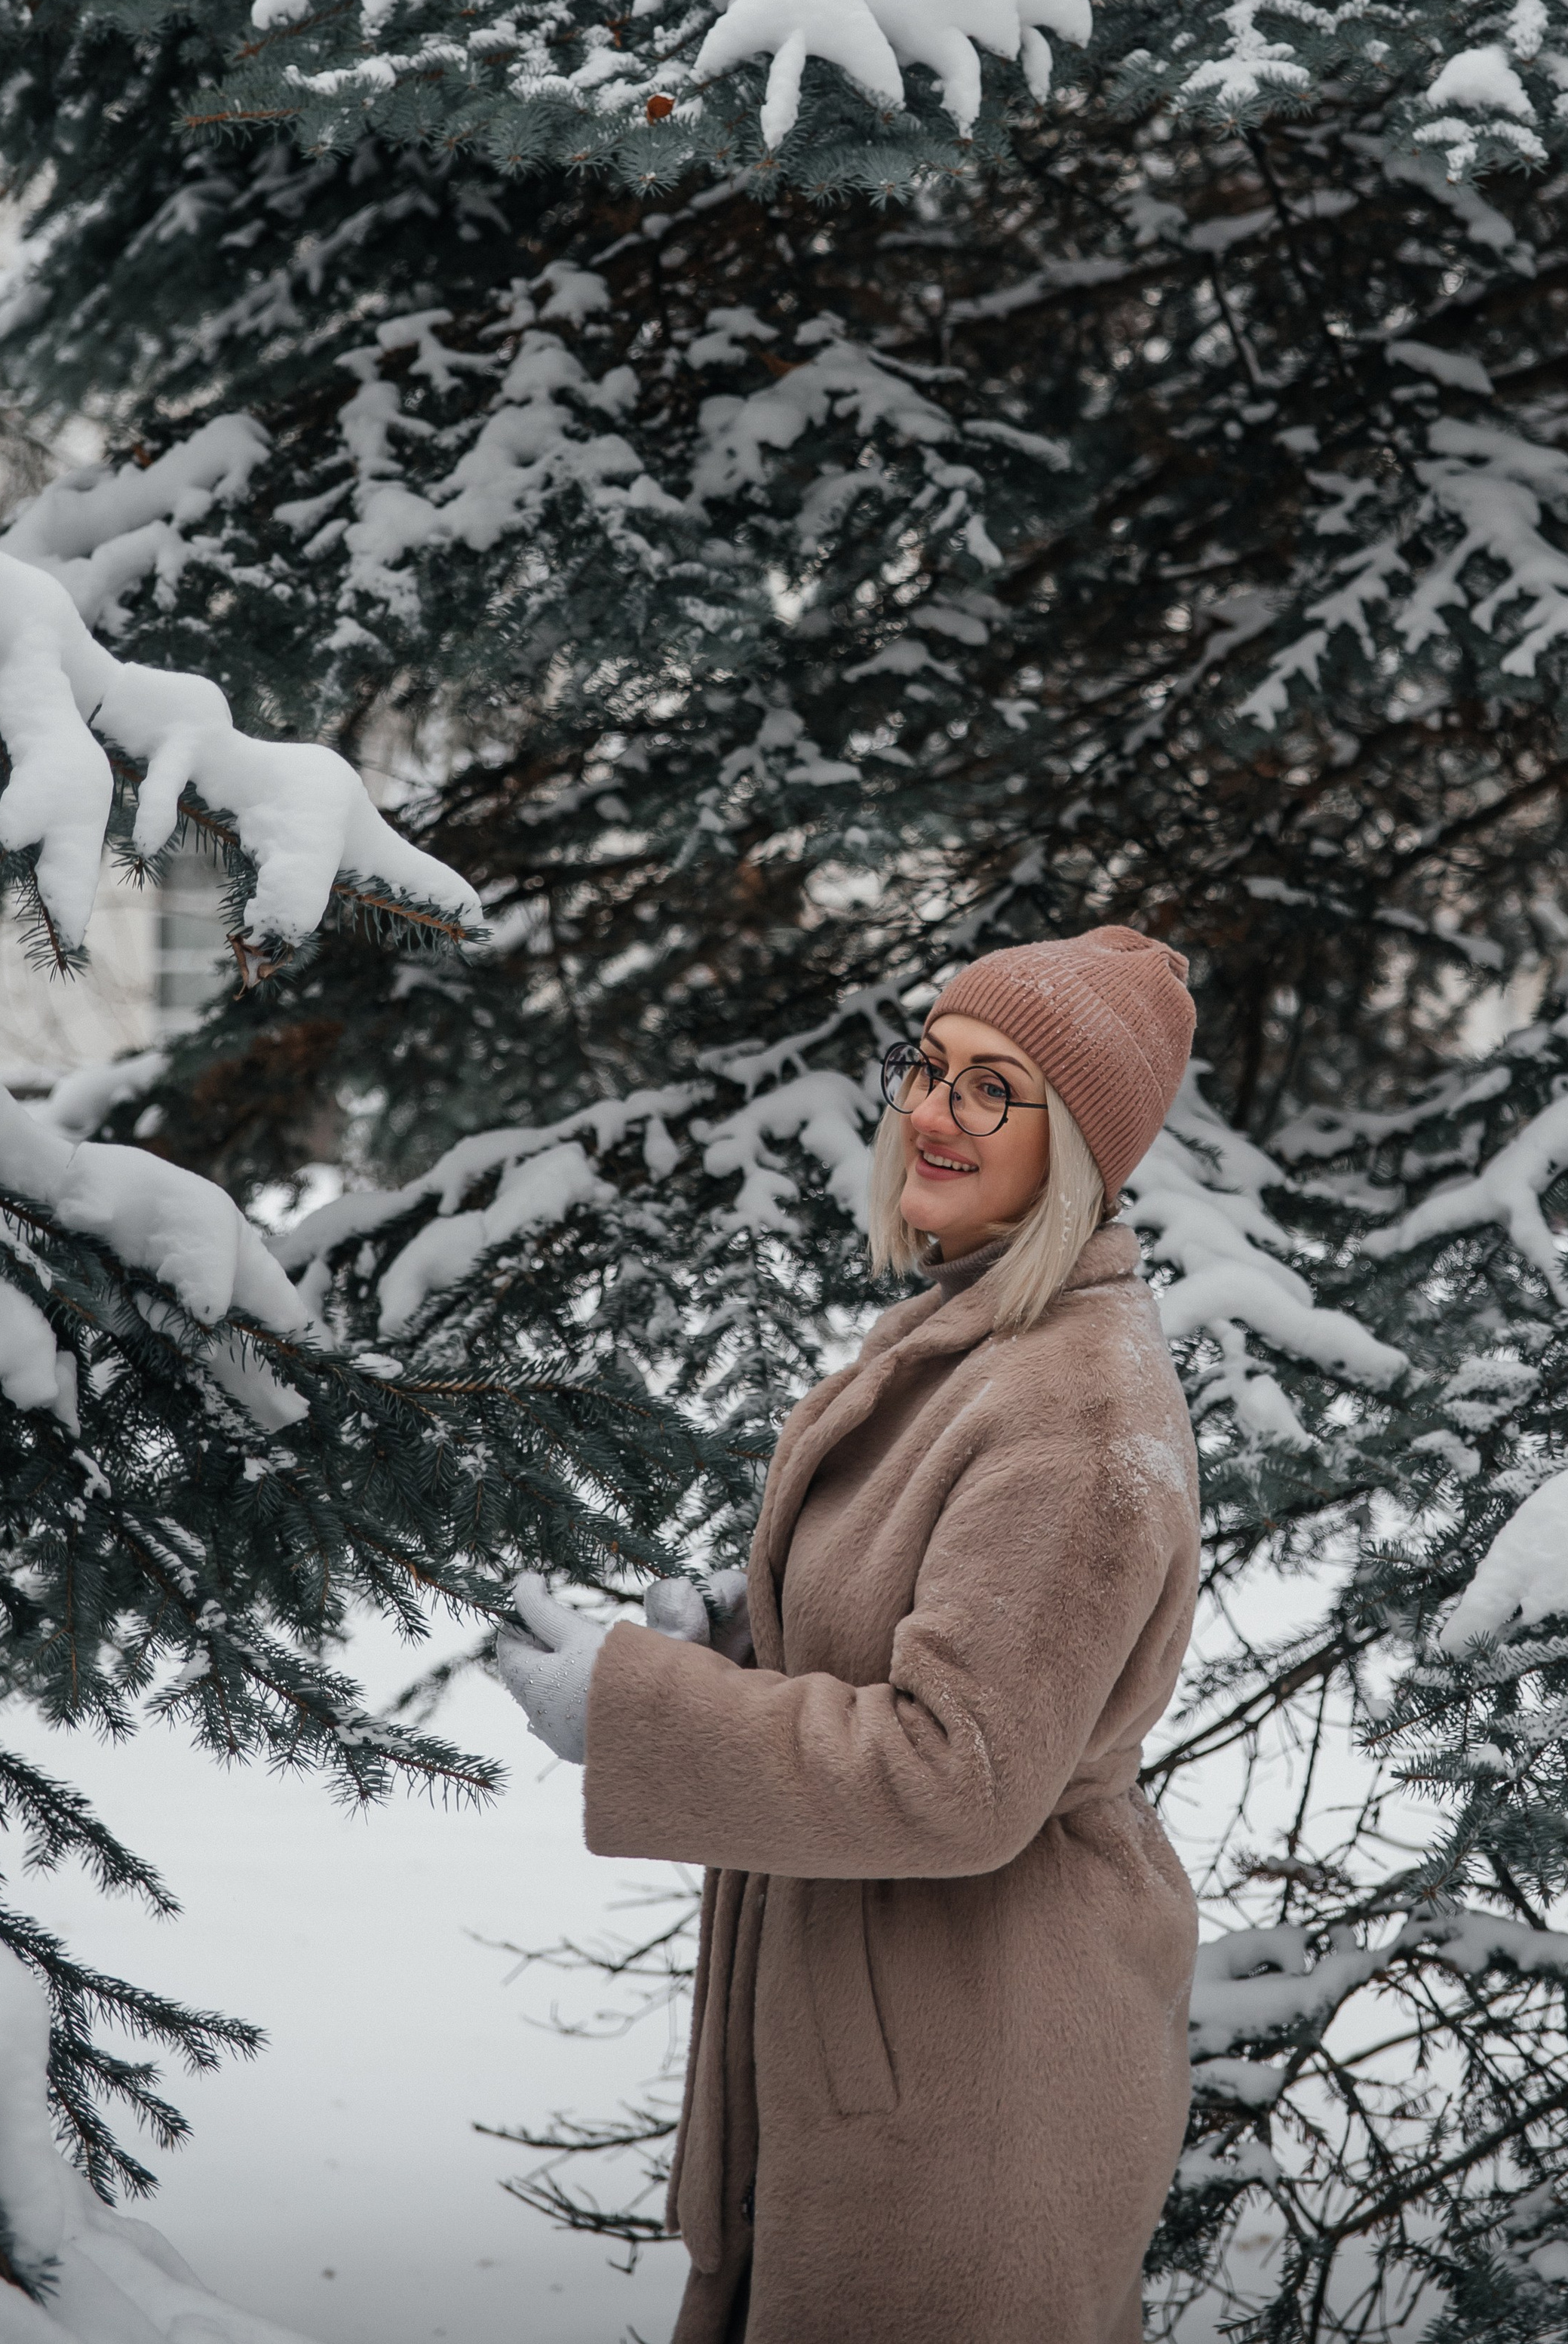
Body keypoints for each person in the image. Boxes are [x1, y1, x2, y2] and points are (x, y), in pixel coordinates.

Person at [496, 924, 1203, 2344]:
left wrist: (629, 1714)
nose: (935, 1113)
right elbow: (932, 1640)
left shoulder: (1076, 1406)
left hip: (975, 2080)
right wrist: (745, 1642)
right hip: (895, 2037)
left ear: (1077, 1144)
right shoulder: (984, 1334)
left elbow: (959, 1774)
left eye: (995, 1090)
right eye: (930, 1068)